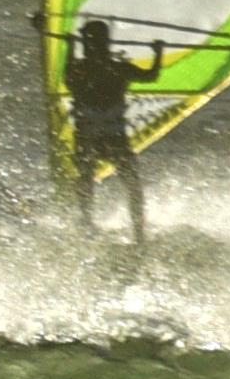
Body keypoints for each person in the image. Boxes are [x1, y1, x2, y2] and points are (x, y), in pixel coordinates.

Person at [63, 18, 164, 243]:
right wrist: (158, 52)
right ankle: (139, 233)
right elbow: (151, 75)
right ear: (106, 42)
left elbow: (67, 79)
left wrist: (69, 48)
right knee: (132, 182)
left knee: (85, 178)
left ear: (86, 43)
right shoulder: (119, 67)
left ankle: (87, 224)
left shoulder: (79, 67)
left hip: (88, 136)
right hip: (112, 137)